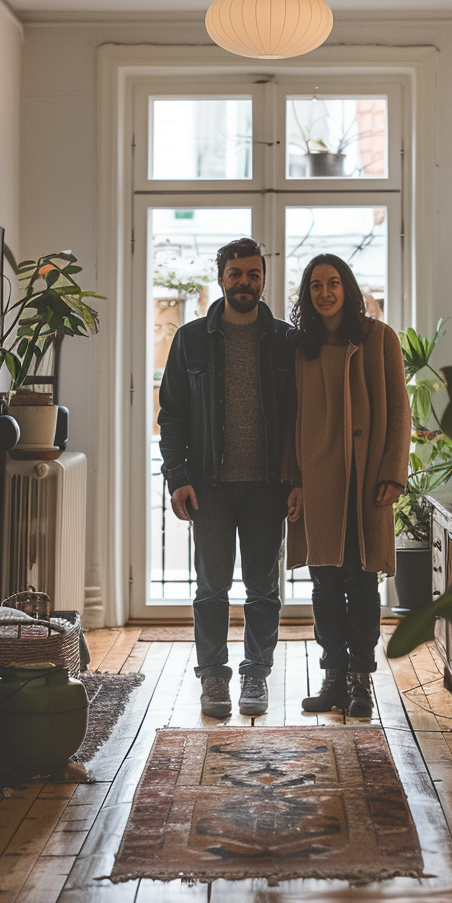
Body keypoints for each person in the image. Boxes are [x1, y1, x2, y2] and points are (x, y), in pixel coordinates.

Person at [158, 238, 295, 718]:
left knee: (263, 589)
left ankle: (256, 673)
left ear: (262, 279)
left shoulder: (285, 339)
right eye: (235, 274)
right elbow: (171, 415)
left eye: (253, 275)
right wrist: (177, 478)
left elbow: (300, 417)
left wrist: (295, 480)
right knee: (211, 588)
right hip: (209, 487)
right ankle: (213, 677)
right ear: (220, 278)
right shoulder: (191, 338)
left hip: (266, 487)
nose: (244, 283)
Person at [285, 254, 411, 718]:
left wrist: (393, 473)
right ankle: (333, 678)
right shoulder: (302, 349)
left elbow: (400, 411)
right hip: (317, 483)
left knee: (361, 583)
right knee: (324, 585)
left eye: (333, 283)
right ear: (307, 294)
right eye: (316, 285)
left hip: (365, 483)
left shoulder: (380, 339)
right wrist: (293, 482)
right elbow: (290, 420)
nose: (325, 293)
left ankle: (361, 682)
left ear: (348, 288)